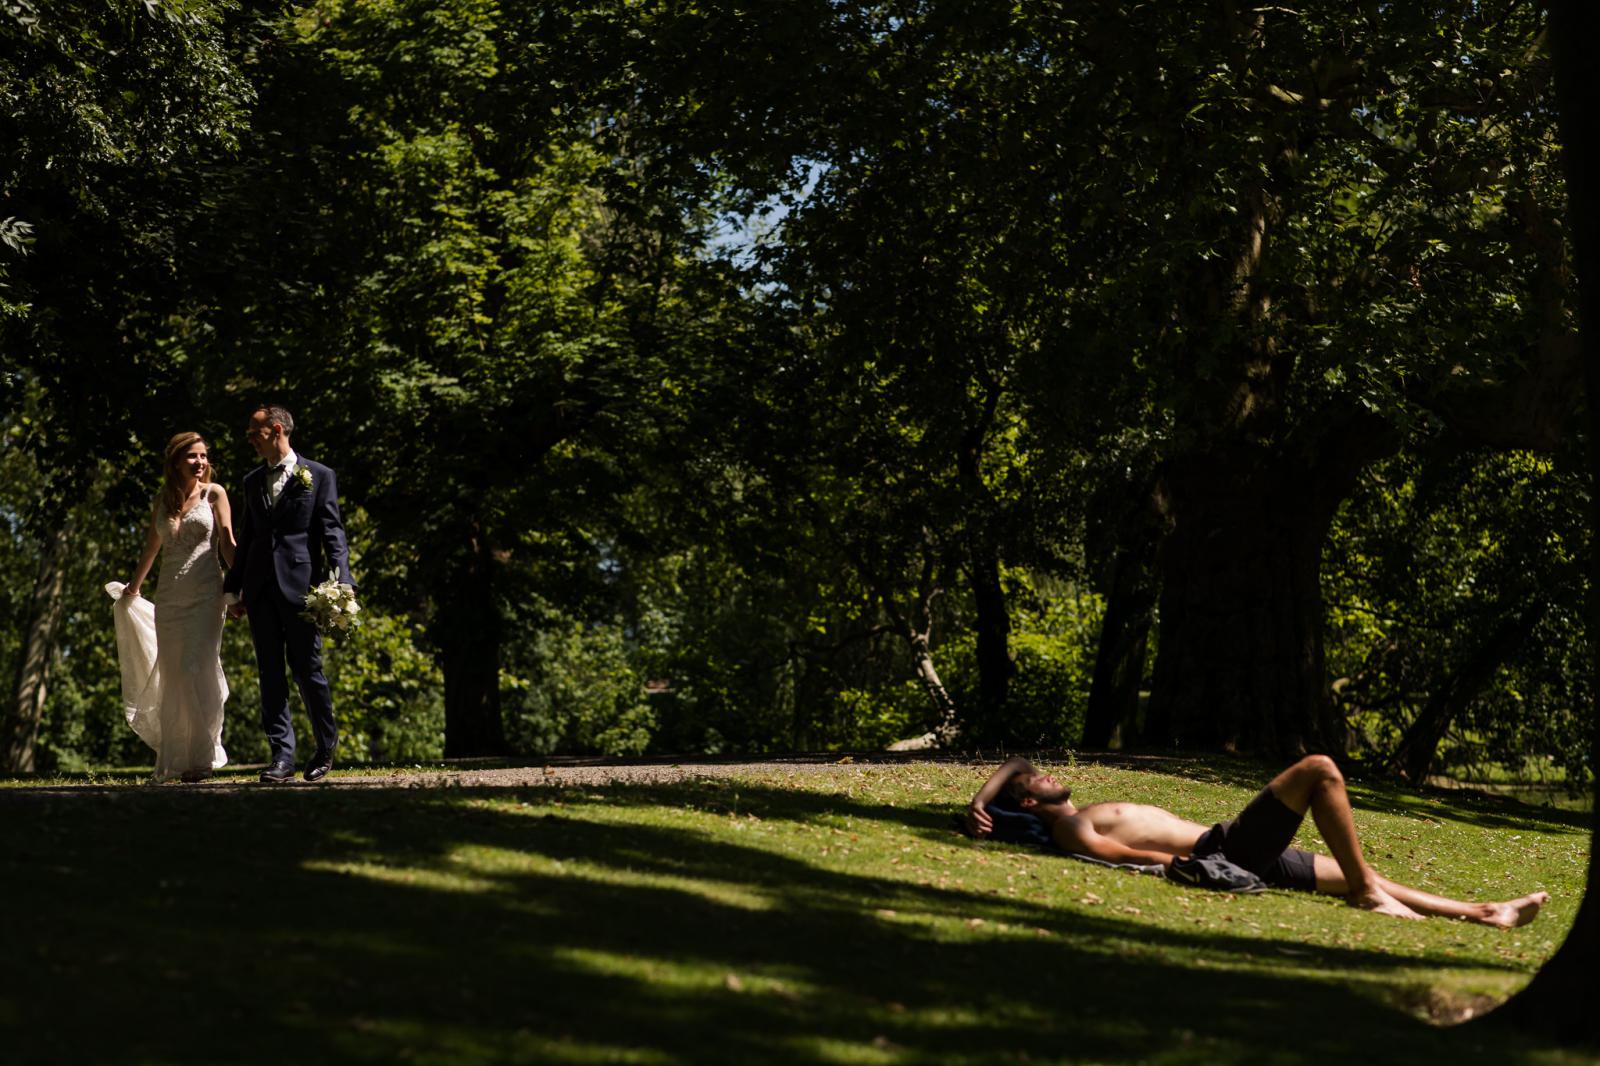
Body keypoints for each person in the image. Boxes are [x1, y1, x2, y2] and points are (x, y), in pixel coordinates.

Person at [966, 755, 1549, 928]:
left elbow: (1013, 760)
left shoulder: (1074, 805)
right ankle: (1370, 894)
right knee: (1320, 770)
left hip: (1232, 853)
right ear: (1027, 803)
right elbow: (1115, 856)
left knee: (1357, 872)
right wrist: (1186, 865)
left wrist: (977, 798)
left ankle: (1484, 911)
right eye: (1036, 780)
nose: (1042, 771)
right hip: (1221, 851)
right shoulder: (1069, 825)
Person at [224, 404, 354, 784]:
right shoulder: (251, 482)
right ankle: (282, 756)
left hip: (302, 588)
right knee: (270, 673)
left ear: (276, 430)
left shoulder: (319, 476)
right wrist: (233, 588)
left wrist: (341, 579)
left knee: (307, 670)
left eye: (255, 431)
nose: (249, 438)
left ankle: (324, 746)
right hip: (261, 589)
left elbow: (333, 531)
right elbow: (248, 537)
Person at [119, 432, 235, 782]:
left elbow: (228, 544)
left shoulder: (215, 494)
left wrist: (242, 584)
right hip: (169, 597)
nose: (200, 462)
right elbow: (152, 549)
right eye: (192, 457)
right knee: (173, 673)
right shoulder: (164, 500)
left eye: (203, 456)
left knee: (195, 667)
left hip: (205, 594)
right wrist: (133, 588)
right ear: (176, 461)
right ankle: (178, 756)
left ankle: (202, 756)